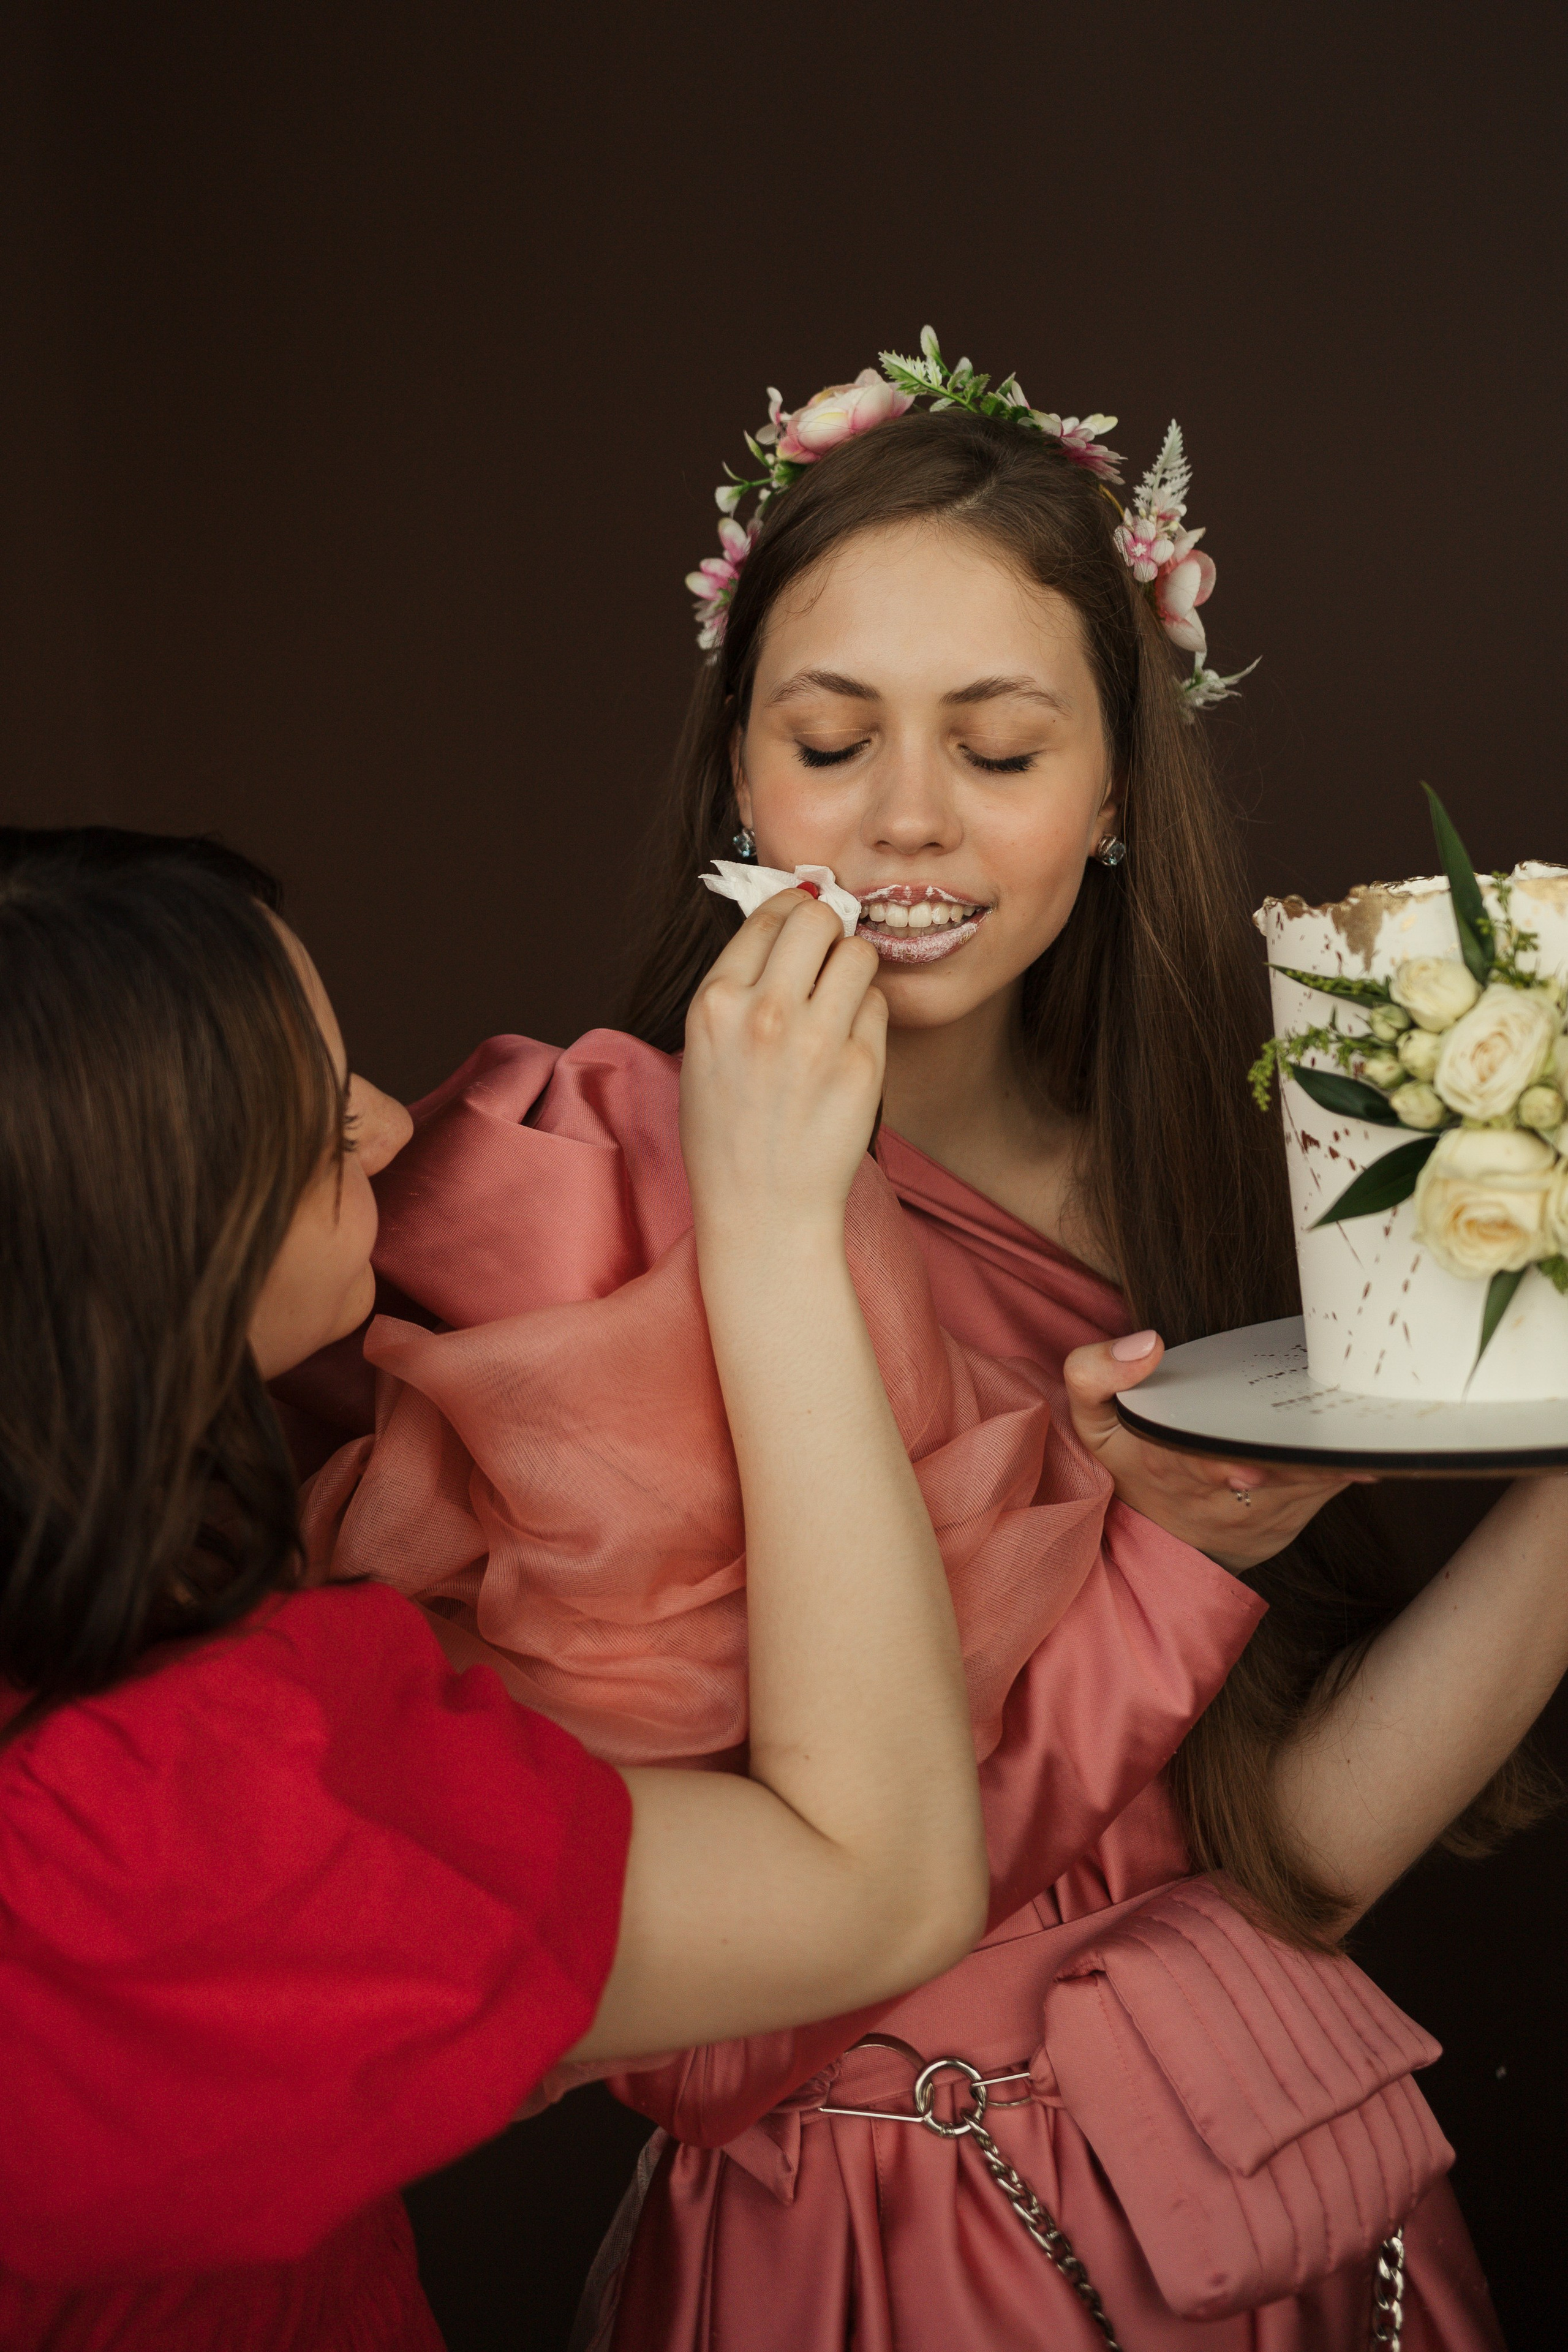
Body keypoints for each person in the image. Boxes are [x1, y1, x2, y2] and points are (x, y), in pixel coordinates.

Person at [292, 356, 1568, 2348]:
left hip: (1278, 2209)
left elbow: (1293, 1867)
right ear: (739, 773)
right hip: (899, 2250)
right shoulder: (583, 1194)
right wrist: (1159, 1566)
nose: (906, 816)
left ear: (1116, 791)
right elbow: (711, 2031)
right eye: (830, 739)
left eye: (998, 748)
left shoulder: (1223, 1186)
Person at [0, 824, 995, 2350]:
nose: (381, 1126)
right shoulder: (176, 1820)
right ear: (142, 1244)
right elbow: (878, 1884)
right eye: (311, 1123)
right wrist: (773, 1232)